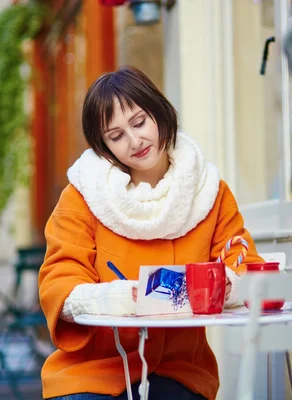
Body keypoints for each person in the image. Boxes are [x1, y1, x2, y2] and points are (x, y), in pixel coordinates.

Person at [39, 65, 263, 400]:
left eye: (139, 122)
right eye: (116, 136)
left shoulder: (209, 192)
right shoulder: (83, 196)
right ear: (104, 146)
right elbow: (60, 280)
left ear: (159, 112)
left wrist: (216, 286)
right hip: (94, 371)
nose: (135, 141)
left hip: (180, 369)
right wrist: (114, 298)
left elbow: (243, 261)